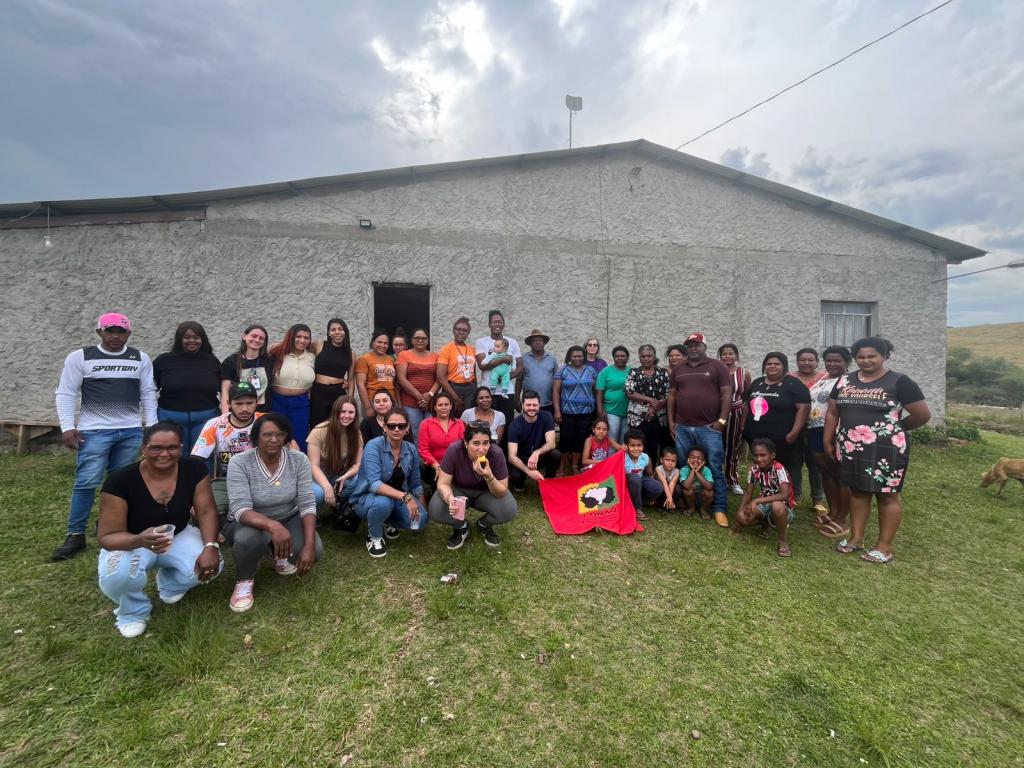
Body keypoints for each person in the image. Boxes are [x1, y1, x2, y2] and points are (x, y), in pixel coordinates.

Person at [96, 422, 222, 637]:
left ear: (181, 447)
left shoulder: (194, 469)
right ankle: (133, 611)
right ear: (143, 448)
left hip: (178, 534)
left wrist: (211, 546)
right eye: (156, 448)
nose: (164, 454)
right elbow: (107, 537)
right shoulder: (120, 481)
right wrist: (139, 540)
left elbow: (206, 511)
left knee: (212, 565)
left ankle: (171, 584)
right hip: (132, 540)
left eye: (172, 447)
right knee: (118, 576)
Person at [52, 312, 158, 561]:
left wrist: (151, 427)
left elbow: (148, 393)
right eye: (110, 331)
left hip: (130, 430)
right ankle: (75, 534)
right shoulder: (81, 357)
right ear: (99, 332)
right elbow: (66, 392)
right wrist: (67, 426)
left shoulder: (139, 358)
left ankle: (111, 526)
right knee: (86, 482)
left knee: (120, 484)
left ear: (128, 334)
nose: (115, 336)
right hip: (94, 431)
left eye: (121, 332)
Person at [825, 337, 930, 564]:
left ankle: (884, 547)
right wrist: (828, 439)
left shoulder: (900, 381)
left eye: (872, 356)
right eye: (861, 357)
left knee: (887, 494)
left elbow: (921, 415)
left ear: (884, 356)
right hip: (851, 445)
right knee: (858, 491)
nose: (866, 361)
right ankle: (856, 538)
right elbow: (833, 411)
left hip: (887, 448)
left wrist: (895, 429)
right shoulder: (845, 380)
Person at [225, 413, 322, 612]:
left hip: (288, 515)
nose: (274, 439)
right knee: (248, 540)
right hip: (248, 521)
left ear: (287, 437)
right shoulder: (240, 462)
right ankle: (244, 579)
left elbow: (306, 502)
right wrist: (274, 526)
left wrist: (309, 545)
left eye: (280, 434)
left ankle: (277, 553)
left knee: (316, 551)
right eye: (267, 435)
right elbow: (240, 508)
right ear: (256, 437)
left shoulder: (299, 460)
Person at [666, 333, 732, 528]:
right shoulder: (678, 368)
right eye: (690, 345)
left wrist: (721, 421)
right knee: (684, 466)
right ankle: (688, 502)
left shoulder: (718, 366)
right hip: (682, 427)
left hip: (709, 427)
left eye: (697, 344)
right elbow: (672, 396)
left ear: (705, 346)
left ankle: (719, 508)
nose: (693, 348)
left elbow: (726, 394)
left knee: (714, 466)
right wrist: (671, 421)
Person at [348, 408, 428, 558]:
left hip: (397, 499)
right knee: (383, 503)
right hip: (367, 498)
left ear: (407, 428)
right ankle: (374, 536)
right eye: (391, 426)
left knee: (420, 521)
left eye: (401, 426)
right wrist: (406, 497)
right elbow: (374, 484)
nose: (396, 429)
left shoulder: (411, 449)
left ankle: (385, 520)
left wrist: (422, 509)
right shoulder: (373, 446)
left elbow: (416, 484)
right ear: (384, 427)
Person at [428, 422, 518, 549]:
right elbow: (443, 483)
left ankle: (484, 524)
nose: (481, 449)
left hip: (486, 493)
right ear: (466, 443)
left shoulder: (496, 453)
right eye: (476, 443)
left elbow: (502, 491)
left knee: (509, 509)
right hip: (459, 490)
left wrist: (489, 476)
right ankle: (461, 526)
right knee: (436, 509)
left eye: (486, 443)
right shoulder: (454, 450)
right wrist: (450, 499)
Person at [742, 352, 810, 510]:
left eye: (776, 364)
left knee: (785, 467)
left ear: (784, 366)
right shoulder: (757, 383)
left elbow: (804, 408)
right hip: (756, 436)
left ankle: (790, 496)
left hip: (783, 438)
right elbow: (747, 405)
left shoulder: (794, 384)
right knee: (763, 465)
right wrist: (743, 425)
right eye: (769, 364)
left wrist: (794, 432)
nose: (772, 366)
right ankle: (767, 492)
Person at [191, 382, 259, 524]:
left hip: (259, 480)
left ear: (257, 402)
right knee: (200, 514)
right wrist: (195, 495)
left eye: (249, 403)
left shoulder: (265, 421)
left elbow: (291, 446)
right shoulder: (215, 424)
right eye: (238, 404)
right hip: (225, 481)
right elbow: (196, 460)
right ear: (229, 404)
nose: (244, 409)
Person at [152, 321, 221, 450]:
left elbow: (223, 388)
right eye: (187, 337)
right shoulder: (163, 361)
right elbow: (150, 390)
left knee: (203, 456)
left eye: (196, 337)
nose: (192, 341)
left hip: (206, 418)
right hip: (170, 418)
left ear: (202, 339)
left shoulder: (212, 361)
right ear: (179, 339)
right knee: (174, 455)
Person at [809, 346, 853, 539]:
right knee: (826, 473)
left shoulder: (849, 381)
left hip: (835, 431)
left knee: (840, 475)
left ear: (847, 362)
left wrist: (834, 436)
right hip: (815, 429)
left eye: (837, 360)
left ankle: (842, 518)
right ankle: (833, 511)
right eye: (829, 360)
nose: (832, 364)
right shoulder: (823, 379)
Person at [732, 438, 796, 557]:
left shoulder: (779, 469)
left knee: (776, 506)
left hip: (783, 507)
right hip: (765, 504)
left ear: (772, 455)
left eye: (763, 455)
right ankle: (766, 523)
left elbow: (784, 495)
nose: (759, 459)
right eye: (756, 455)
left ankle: (783, 541)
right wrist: (739, 513)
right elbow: (748, 493)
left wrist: (757, 500)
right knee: (742, 517)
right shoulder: (754, 470)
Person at [307, 395, 363, 518]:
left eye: (351, 412)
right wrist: (326, 486)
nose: (346, 416)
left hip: (338, 475)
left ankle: (341, 506)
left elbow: (358, 464)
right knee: (319, 493)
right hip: (316, 476)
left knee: (359, 479)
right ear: (335, 412)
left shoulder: (356, 433)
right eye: (342, 411)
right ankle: (312, 515)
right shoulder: (319, 431)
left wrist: (345, 476)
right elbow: (313, 465)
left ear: (355, 414)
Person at [474, 310, 522, 444]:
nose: (497, 324)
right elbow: (482, 365)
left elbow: (520, 366)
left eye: (500, 322)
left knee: (507, 425)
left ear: (504, 324)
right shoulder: (481, 342)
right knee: (487, 426)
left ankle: (505, 455)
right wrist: (504, 359)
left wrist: (506, 376)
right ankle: (487, 453)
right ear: (489, 324)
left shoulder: (512, 342)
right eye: (494, 322)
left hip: (507, 392)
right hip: (488, 392)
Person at [791, 347, 828, 511]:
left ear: (817, 362)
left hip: (817, 427)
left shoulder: (826, 379)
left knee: (816, 464)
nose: (806, 363)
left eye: (810, 360)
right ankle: (795, 495)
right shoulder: (789, 378)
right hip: (792, 426)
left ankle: (818, 499)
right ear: (797, 361)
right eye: (803, 360)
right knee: (794, 462)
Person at [269, 324, 315, 452]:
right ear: (291, 337)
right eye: (298, 336)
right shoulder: (277, 353)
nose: (302, 340)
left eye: (306, 338)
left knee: (300, 437)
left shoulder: (312, 357)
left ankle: (299, 463)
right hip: (277, 401)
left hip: (301, 402)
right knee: (276, 435)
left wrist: (343, 381)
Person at [553, 345, 597, 475]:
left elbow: (596, 391)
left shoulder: (591, 370)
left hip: (587, 412)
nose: (577, 358)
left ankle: (574, 465)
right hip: (567, 412)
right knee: (565, 439)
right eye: (574, 356)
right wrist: (557, 411)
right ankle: (562, 466)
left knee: (580, 439)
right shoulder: (562, 371)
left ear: (584, 357)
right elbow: (555, 391)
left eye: (580, 356)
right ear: (569, 357)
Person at [625, 344, 670, 470]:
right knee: (637, 446)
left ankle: (652, 473)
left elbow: (668, 394)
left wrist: (654, 408)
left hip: (658, 417)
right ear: (639, 357)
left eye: (649, 356)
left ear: (654, 356)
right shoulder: (634, 372)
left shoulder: (663, 373)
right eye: (643, 356)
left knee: (654, 446)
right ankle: (637, 471)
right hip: (637, 418)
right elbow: (630, 392)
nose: (646, 358)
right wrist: (651, 400)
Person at [506, 391, 561, 492]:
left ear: (539, 405)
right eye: (528, 405)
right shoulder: (514, 425)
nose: (532, 408)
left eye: (535, 405)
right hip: (522, 458)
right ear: (522, 405)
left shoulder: (547, 416)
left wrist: (536, 453)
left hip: (539, 457)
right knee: (516, 477)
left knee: (555, 454)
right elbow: (511, 456)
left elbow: (551, 443)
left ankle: (547, 481)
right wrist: (528, 471)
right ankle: (520, 485)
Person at [718, 343, 751, 495]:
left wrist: (744, 420)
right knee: (717, 446)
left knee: (733, 446)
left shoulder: (743, 373)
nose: (727, 356)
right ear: (720, 356)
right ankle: (718, 478)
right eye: (724, 354)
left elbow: (747, 397)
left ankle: (733, 479)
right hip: (717, 413)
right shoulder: (716, 371)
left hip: (735, 413)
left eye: (731, 353)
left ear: (736, 356)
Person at [395, 328, 440, 439]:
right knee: (415, 433)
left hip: (431, 402)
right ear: (412, 340)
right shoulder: (404, 355)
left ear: (428, 340)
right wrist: (420, 397)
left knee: (431, 433)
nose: (420, 340)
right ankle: (416, 452)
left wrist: (429, 395)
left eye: (423, 338)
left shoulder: (435, 356)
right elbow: (401, 379)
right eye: (417, 338)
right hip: (410, 402)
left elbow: (440, 379)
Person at [309, 318, 354, 429]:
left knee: (337, 426)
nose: (337, 332)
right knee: (317, 426)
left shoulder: (350, 353)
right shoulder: (319, 345)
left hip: (338, 393)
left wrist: (349, 400)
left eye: (340, 329)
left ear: (345, 331)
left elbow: (351, 379)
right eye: (333, 330)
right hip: (318, 392)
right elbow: (301, 349)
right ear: (329, 333)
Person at [418, 392, 467, 491]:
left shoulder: (459, 423)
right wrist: (436, 465)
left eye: (446, 404)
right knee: (439, 487)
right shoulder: (426, 424)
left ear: (451, 406)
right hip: (433, 465)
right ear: (435, 407)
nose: (443, 407)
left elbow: (463, 447)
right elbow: (423, 450)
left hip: (455, 464)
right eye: (440, 405)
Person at [220, 324, 273, 414]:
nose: (257, 340)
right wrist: (225, 414)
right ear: (244, 336)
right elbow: (225, 390)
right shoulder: (231, 361)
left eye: (261, 338)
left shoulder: (269, 360)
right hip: (240, 413)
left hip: (264, 412)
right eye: (254, 336)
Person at [436, 317, 477, 413]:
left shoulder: (472, 349)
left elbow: (474, 372)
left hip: (470, 389)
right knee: (453, 417)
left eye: (465, 330)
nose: (461, 332)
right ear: (453, 330)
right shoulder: (446, 349)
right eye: (458, 329)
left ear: (468, 333)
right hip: (453, 388)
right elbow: (440, 377)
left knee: (468, 417)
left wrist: (474, 388)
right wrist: (455, 397)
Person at [355, 330, 397, 414]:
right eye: (379, 342)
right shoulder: (364, 359)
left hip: (390, 400)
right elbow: (360, 385)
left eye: (385, 343)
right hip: (373, 400)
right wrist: (368, 408)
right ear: (373, 342)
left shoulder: (391, 359)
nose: (382, 345)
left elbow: (394, 383)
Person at [622, 429, 661, 520]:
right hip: (626, 485)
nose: (636, 449)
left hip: (640, 481)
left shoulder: (645, 457)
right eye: (632, 445)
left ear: (643, 446)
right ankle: (637, 508)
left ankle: (640, 501)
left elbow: (650, 475)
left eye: (639, 445)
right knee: (635, 479)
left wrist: (652, 493)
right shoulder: (623, 457)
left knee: (658, 487)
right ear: (626, 446)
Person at [517, 329, 558, 415]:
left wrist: (557, 404)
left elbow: (557, 382)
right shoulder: (523, 359)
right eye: (535, 341)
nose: (538, 342)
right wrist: (516, 399)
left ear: (544, 343)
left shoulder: (552, 359)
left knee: (547, 423)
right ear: (530, 344)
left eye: (540, 340)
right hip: (529, 403)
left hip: (548, 403)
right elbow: (519, 380)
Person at [596, 346, 631, 444]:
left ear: (627, 358)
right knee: (612, 440)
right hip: (611, 411)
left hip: (628, 411)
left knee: (624, 440)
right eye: (617, 356)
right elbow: (599, 392)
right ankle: (611, 455)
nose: (620, 358)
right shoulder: (606, 371)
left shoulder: (632, 371)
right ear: (613, 357)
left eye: (623, 356)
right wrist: (600, 410)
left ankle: (621, 455)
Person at [679, 446, 715, 517]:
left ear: (704, 461)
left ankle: (703, 509)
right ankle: (691, 508)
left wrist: (697, 472)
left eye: (699, 458)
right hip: (689, 499)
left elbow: (709, 487)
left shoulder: (707, 470)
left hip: (702, 498)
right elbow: (686, 486)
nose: (696, 460)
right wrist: (693, 470)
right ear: (688, 460)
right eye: (692, 457)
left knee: (710, 492)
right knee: (687, 490)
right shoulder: (684, 470)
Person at [653, 446, 684, 510]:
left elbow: (672, 484)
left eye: (673, 461)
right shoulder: (658, 469)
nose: (670, 463)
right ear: (661, 460)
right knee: (660, 486)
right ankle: (660, 502)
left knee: (678, 489)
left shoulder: (677, 471)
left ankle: (670, 503)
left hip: (670, 489)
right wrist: (669, 497)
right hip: (662, 488)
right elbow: (664, 483)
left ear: (676, 462)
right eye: (667, 460)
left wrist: (670, 498)